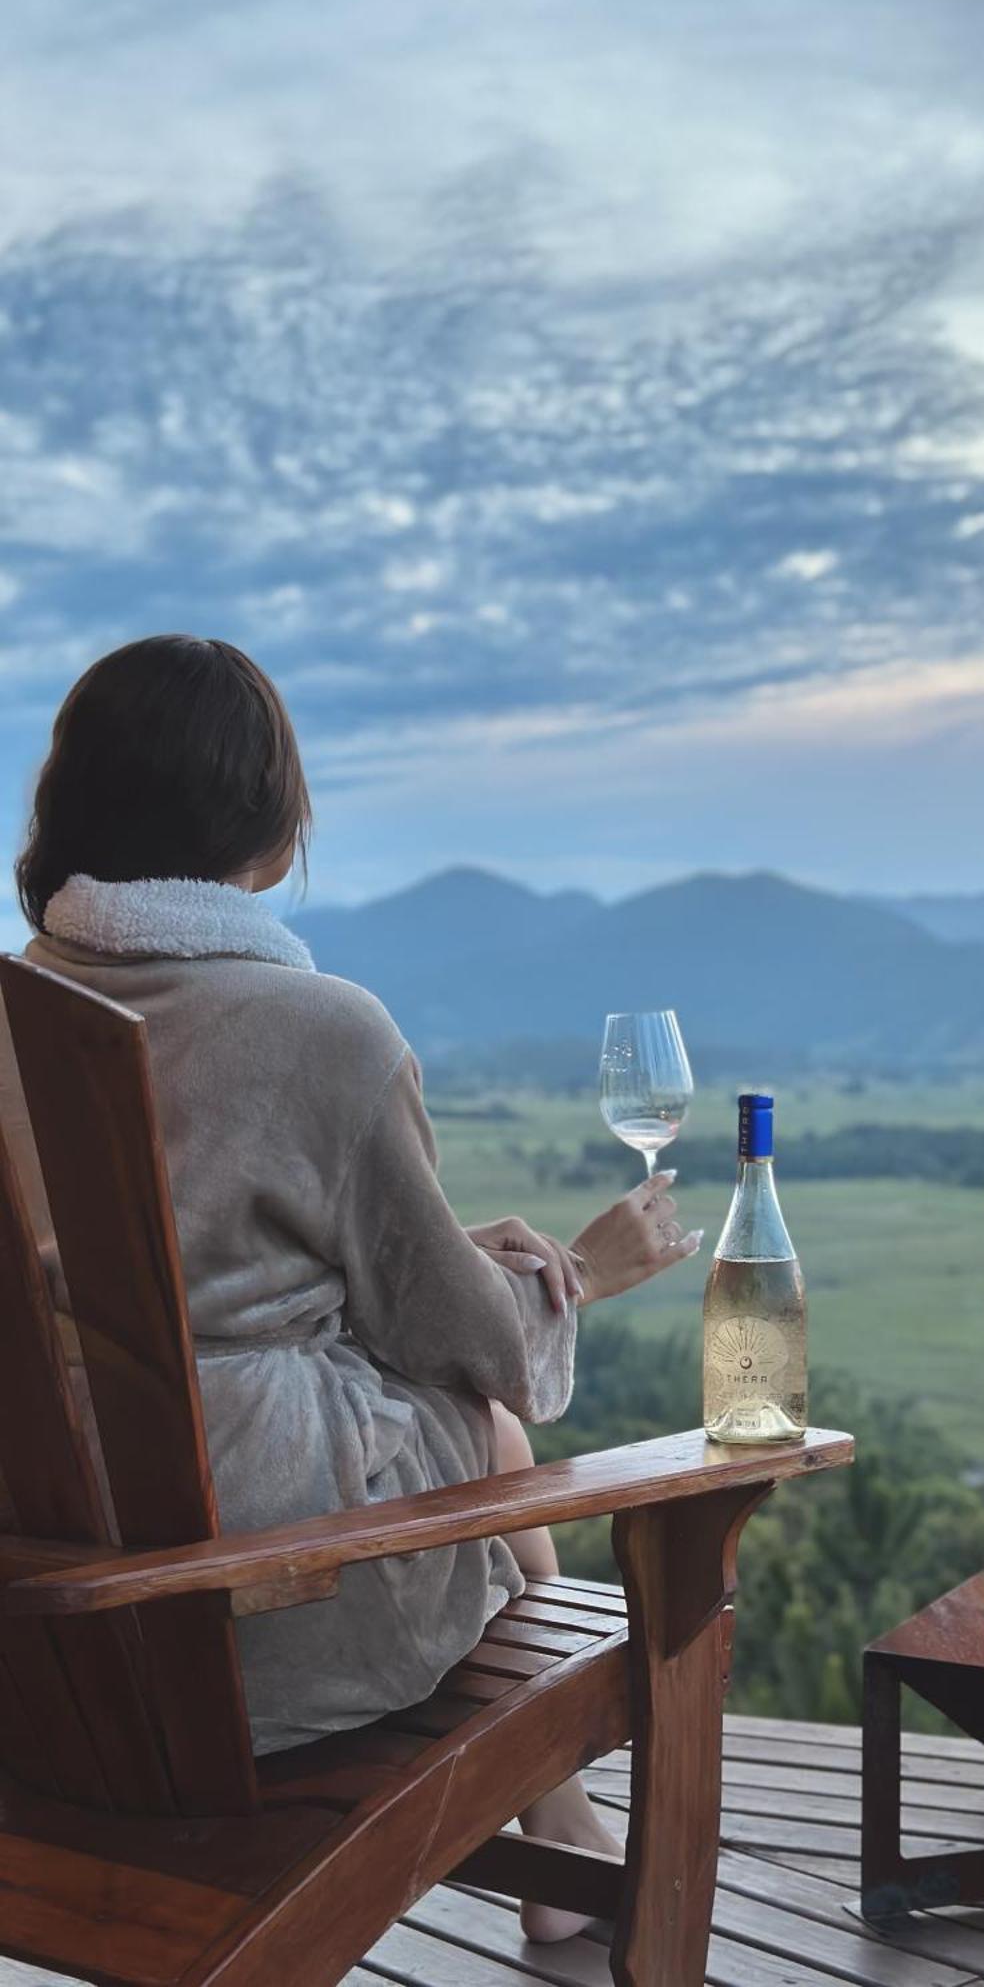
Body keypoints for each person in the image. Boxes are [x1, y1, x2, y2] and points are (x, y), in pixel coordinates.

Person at [0, 634, 703, 1943]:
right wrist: (583, 1274)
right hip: (243, 1629)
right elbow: (469, 1342)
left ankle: (559, 1829)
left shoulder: (15, 1006)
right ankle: (562, 1824)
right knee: (482, 1418)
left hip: (41, 1637)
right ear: (267, 827)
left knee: (421, 1404)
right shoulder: (322, 1031)